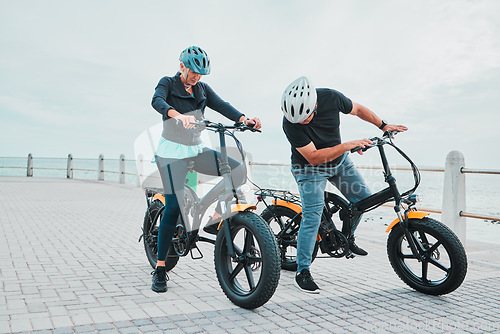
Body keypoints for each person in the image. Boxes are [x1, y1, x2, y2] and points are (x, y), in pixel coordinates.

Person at [150, 46, 261, 293]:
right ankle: (159, 268)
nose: (196, 77)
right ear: (182, 66)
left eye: (200, 74)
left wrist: (244, 120)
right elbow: (157, 100)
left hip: (195, 149)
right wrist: (176, 114)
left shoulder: (202, 89)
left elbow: (222, 105)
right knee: (173, 206)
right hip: (171, 153)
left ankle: (214, 219)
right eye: (193, 73)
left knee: (237, 171)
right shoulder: (167, 83)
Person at [281, 76, 407, 294]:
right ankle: (302, 271)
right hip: (308, 169)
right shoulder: (289, 123)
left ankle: (347, 238)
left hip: (339, 164)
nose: (302, 122)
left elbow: (358, 110)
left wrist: (383, 125)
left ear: (315, 104)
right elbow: (313, 157)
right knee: (312, 215)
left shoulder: (331, 97)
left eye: (306, 117)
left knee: (364, 202)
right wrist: (348, 145)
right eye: (297, 120)